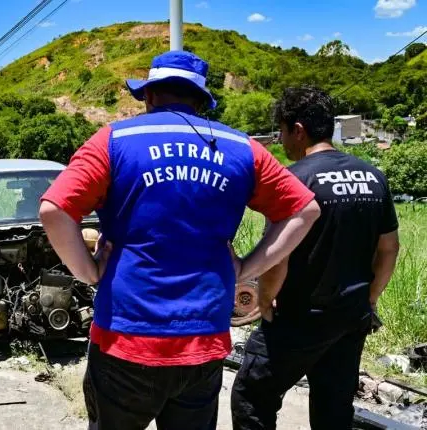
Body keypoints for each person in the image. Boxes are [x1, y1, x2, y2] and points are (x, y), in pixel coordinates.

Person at [38, 50, 322, 430]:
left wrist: (89, 272)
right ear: (201, 100)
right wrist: (247, 268)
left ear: (149, 95)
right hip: (204, 337)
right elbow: (304, 210)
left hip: (126, 335)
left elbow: (54, 210)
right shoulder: (241, 147)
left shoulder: (115, 140)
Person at [231, 86, 401, 430]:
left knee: (252, 397)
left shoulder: (293, 180)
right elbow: (389, 248)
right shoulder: (373, 177)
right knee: (333, 408)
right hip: (350, 316)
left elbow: (279, 256)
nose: (281, 141)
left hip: (298, 317)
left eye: (282, 131)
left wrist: (264, 298)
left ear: (298, 129)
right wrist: (370, 298)